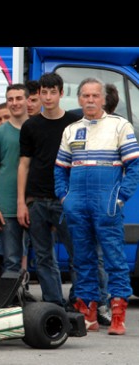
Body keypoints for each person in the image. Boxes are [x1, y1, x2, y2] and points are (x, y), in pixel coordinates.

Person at [56, 77, 139, 335]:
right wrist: (65, 198)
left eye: (95, 95)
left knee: (114, 258)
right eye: (85, 95)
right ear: (79, 99)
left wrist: (120, 198)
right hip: (77, 203)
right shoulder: (71, 129)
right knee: (82, 259)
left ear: (103, 99)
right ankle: (88, 313)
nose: (90, 100)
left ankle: (118, 315)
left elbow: (134, 166)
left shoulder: (119, 125)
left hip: (107, 202)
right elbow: (60, 169)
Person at [18, 72, 80, 307]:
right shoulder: (30, 125)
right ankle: (54, 304)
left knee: (77, 254)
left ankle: (79, 302)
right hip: (37, 200)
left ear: (61, 93)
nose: (48, 97)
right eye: (44, 92)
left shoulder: (74, 123)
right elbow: (24, 164)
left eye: (53, 92)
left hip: (67, 200)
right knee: (43, 256)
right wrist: (22, 202)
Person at [0, 84, 29, 285]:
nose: (15, 103)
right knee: (7, 258)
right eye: (10, 99)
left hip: (33, 203)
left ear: (27, 100)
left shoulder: (36, 129)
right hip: (4, 205)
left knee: (35, 255)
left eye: (19, 98)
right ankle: (7, 298)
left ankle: (28, 294)